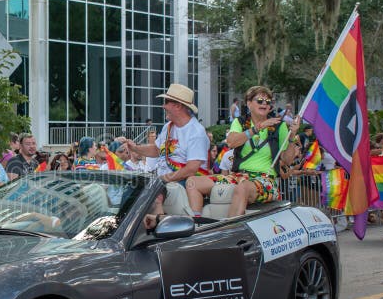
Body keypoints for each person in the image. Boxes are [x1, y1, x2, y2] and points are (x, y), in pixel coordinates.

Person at [186, 86, 300, 218]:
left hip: (265, 179)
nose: (264, 103)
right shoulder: (240, 122)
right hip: (238, 176)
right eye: (260, 100)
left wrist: (292, 138)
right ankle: (197, 225)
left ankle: (229, 231)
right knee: (193, 182)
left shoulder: (279, 126)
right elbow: (231, 142)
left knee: (242, 188)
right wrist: (257, 128)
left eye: (268, 101)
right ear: (249, 103)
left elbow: (287, 160)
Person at [119, 83, 210, 184]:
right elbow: (157, 150)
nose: (163, 106)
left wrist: (163, 179)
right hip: (166, 184)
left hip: (184, 185)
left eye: (166, 102)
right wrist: (135, 148)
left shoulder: (196, 132)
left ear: (178, 106)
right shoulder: (168, 127)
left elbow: (191, 169)